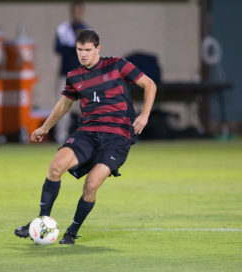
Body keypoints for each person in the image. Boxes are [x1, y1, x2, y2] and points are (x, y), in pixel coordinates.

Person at [14, 29, 157, 244]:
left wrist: (145, 114)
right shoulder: (74, 76)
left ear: (98, 49)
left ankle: (72, 232)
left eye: (88, 50)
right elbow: (64, 104)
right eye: (80, 50)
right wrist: (44, 127)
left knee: (91, 185)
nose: (83, 54)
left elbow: (149, 84)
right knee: (55, 166)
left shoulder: (117, 65)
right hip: (88, 133)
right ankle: (41, 220)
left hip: (116, 138)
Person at [54, 1, 89, 145]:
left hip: (82, 75)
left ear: (82, 12)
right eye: (74, 11)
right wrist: (74, 43)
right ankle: (60, 139)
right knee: (63, 107)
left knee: (87, 107)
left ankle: (88, 137)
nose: (76, 14)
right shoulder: (63, 29)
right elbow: (57, 49)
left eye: (78, 11)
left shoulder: (87, 30)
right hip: (66, 75)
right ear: (71, 12)